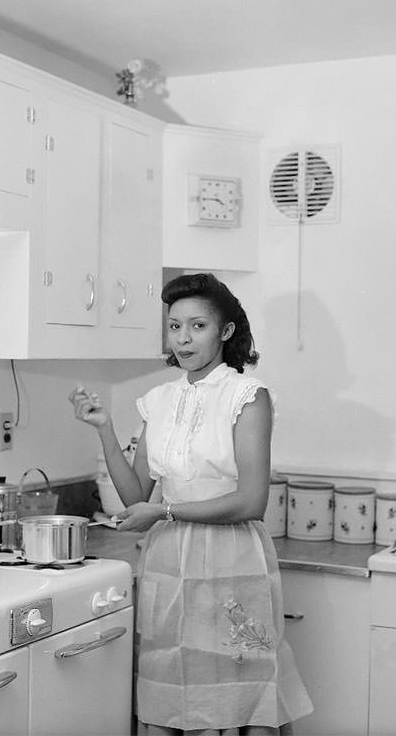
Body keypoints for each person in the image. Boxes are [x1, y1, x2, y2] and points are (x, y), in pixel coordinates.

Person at [69, 272, 313, 736]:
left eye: (198, 326)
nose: (183, 337)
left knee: (238, 690)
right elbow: (135, 497)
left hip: (231, 559)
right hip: (168, 561)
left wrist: (165, 513)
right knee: (175, 688)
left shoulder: (247, 396)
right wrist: (103, 429)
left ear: (225, 332)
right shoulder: (158, 400)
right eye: (175, 326)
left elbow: (251, 501)